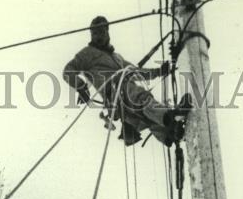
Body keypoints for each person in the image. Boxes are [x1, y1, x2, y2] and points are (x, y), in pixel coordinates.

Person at [63, 15, 191, 146]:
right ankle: (171, 116)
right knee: (142, 98)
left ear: (107, 32)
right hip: (116, 94)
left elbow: (135, 72)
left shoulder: (117, 58)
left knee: (148, 117)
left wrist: (159, 72)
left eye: (101, 31)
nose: (98, 36)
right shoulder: (87, 53)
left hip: (124, 105)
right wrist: (80, 86)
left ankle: (171, 134)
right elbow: (68, 70)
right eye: (94, 33)